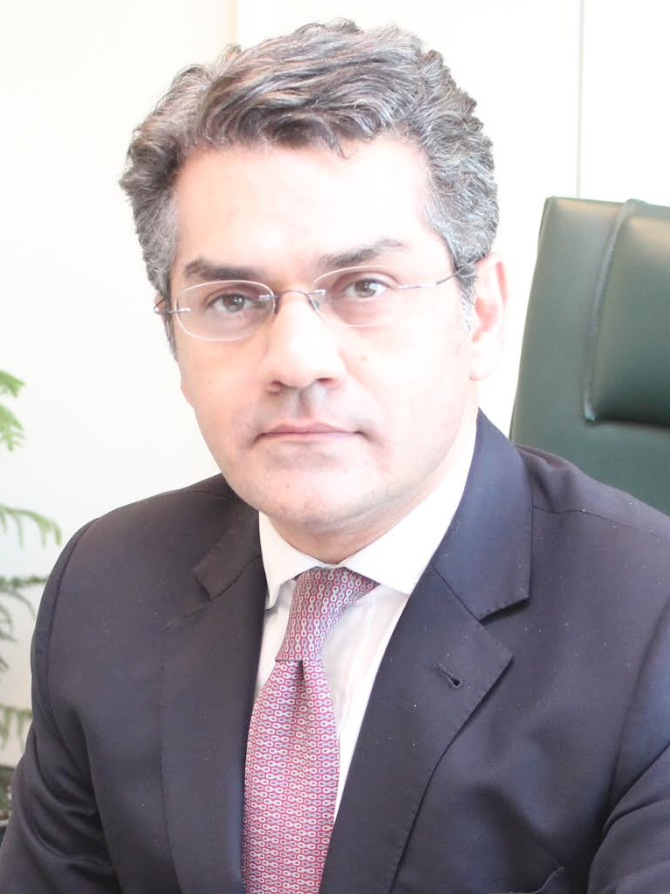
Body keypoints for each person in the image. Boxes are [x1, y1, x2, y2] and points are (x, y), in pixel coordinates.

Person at [1, 19, 669, 894]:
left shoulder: (651, 622)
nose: (295, 359)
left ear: (480, 315)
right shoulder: (107, 584)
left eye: (364, 286)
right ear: (174, 338)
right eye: (233, 298)